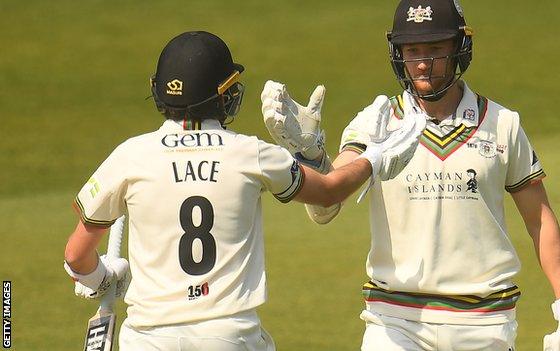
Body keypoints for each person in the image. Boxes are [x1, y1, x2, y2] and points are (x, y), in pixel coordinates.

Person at [260, 1, 560, 350]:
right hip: (394, 321)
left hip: (485, 323)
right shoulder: (375, 122)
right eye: (412, 50)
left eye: (435, 49)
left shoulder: (503, 124)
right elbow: (325, 206)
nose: (423, 63)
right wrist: (311, 156)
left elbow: (540, 220)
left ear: (459, 49)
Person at [63, 31, 423, 351]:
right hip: (229, 336)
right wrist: (373, 159)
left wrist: (102, 279)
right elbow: (329, 192)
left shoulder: (130, 156)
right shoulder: (251, 153)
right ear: (222, 95)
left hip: (146, 338)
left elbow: (77, 255)